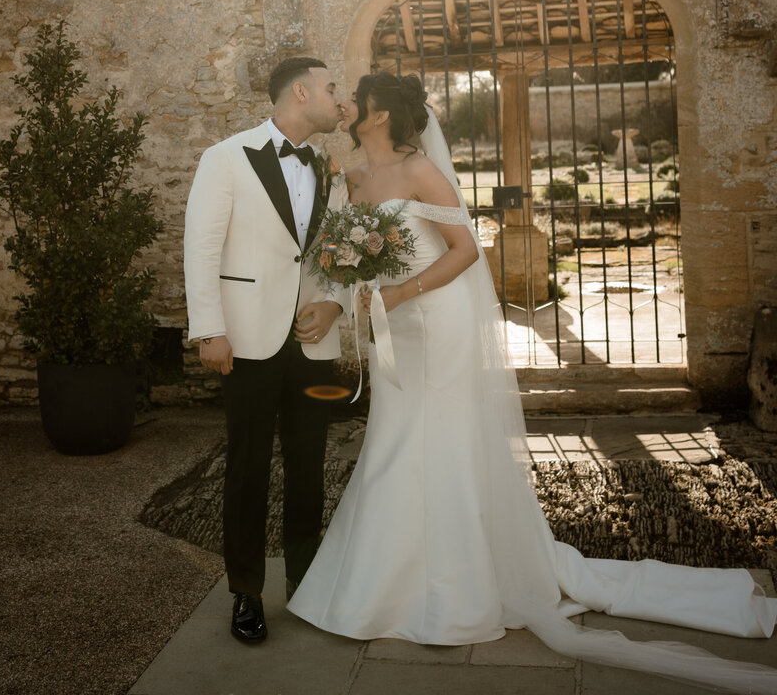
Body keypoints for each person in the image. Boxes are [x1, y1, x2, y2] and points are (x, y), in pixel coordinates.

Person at [288, 71, 777, 693]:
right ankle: (388, 581)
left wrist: (398, 291)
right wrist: (351, 295)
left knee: (435, 441)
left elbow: (465, 250)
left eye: (359, 96)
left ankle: (450, 590)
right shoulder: (349, 177)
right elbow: (340, 255)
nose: (350, 103)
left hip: (438, 321)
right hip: (398, 331)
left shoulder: (418, 172)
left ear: (382, 115)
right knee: (393, 439)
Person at [184, 56, 348, 646]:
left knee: (310, 469)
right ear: (300, 93)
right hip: (246, 339)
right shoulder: (225, 158)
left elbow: (342, 253)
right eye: (332, 88)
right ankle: (246, 593)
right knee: (247, 469)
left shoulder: (332, 169)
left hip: (313, 341)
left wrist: (334, 304)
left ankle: (305, 584)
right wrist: (209, 329)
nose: (340, 99)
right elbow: (201, 248)